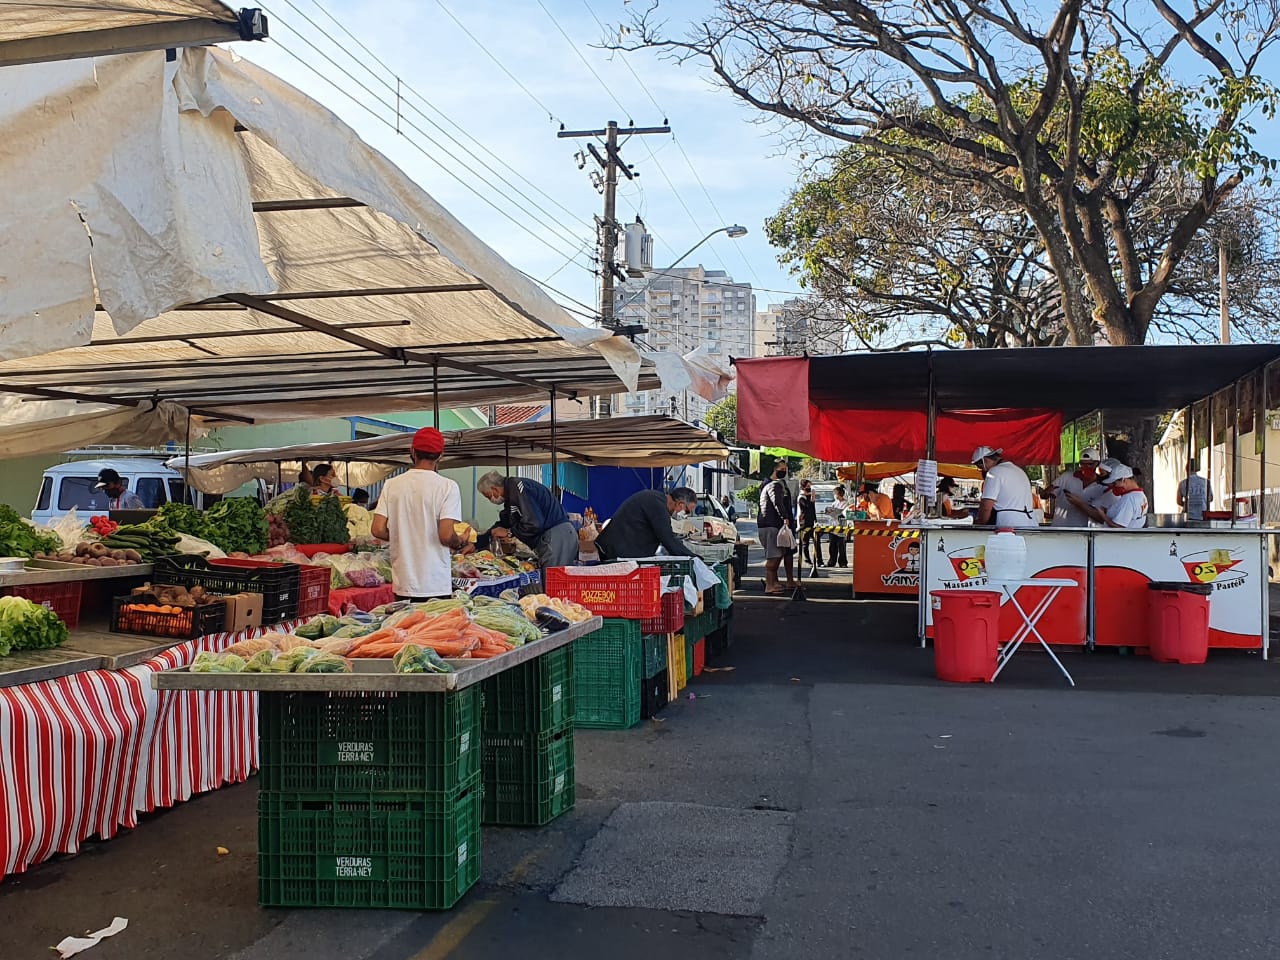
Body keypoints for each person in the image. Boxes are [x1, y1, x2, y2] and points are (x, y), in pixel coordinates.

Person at [370, 427, 474, 601]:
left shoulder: (392, 485)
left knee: (406, 628)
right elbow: (446, 535)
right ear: (441, 455)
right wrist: (460, 542)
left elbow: (377, 530)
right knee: (433, 628)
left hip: (403, 582)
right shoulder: (448, 487)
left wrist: (404, 535)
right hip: (434, 584)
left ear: (412, 451)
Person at [475, 471, 578, 568]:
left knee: (553, 581)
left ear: (495, 489)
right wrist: (476, 543)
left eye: (489, 496)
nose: (490, 500)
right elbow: (503, 524)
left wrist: (509, 532)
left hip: (557, 537)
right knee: (554, 581)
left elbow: (534, 524)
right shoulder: (511, 498)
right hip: (558, 536)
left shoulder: (516, 487)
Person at [593, 486, 698, 561]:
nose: (685, 514)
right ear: (680, 504)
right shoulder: (657, 505)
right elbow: (667, 539)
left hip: (616, 548)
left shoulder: (656, 498)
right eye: (687, 511)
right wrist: (693, 557)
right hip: (615, 551)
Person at [971, 445, 1037, 527]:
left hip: (1009, 523)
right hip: (1030, 521)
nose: (983, 470)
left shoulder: (994, 472)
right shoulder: (1018, 470)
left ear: (985, 460)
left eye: (980, 467)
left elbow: (986, 506)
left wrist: (980, 523)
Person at [1067, 463, 1149, 529]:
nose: (1113, 486)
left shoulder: (1129, 499)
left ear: (1123, 479)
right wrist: (1107, 511)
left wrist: (1103, 515)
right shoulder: (1141, 496)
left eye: (1114, 483)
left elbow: (1119, 527)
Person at [758, 461, 796, 594]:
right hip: (772, 524)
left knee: (776, 555)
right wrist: (785, 517)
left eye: (786, 469)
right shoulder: (774, 485)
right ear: (774, 470)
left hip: (768, 524)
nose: (784, 471)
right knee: (774, 557)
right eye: (782, 469)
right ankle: (770, 585)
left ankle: (773, 583)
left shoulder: (770, 485)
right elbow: (777, 503)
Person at [1047, 447, 1104, 527]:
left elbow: (1101, 518)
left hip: (1083, 533)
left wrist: (1079, 503)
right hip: (1059, 529)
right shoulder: (1067, 476)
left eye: (1090, 464)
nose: (1086, 467)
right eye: (1083, 464)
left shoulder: (1102, 486)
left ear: (1097, 464)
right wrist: (1047, 492)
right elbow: (1044, 495)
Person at [795, 479, 824, 567]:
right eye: (808, 486)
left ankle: (820, 561)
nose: (809, 488)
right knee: (805, 543)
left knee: (817, 541)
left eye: (810, 486)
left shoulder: (810, 496)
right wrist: (811, 498)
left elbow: (812, 509)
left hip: (812, 522)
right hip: (804, 522)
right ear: (803, 487)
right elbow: (806, 507)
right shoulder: (801, 497)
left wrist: (815, 520)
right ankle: (807, 560)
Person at [824, 484, 849, 567]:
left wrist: (837, 512)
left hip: (841, 525)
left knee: (841, 545)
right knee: (832, 545)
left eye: (835, 494)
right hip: (832, 525)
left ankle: (842, 562)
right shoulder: (834, 503)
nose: (834, 496)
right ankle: (832, 561)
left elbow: (843, 513)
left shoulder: (846, 503)